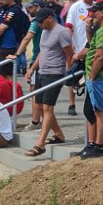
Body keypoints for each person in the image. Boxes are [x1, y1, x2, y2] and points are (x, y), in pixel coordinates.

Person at [22, 8, 71, 156]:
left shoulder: (61, 32)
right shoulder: (44, 31)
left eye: (41, 21)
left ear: (50, 18)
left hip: (55, 73)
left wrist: (70, 75)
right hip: (42, 72)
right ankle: (59, 134)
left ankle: (40, 143)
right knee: (39, 105)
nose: (39, 24)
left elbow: (70, 55)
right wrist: (32, 68)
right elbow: (42, 51)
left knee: (48, 107)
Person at [77, 0, 103, 158]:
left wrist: (92, 76)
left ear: (102, 13)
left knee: (101, 111)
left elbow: (100, 56)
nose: (92, 14)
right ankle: (101, 144)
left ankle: (99, 145)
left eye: (95, 12)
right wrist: (89, 29)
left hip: (101, 77)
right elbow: (94, 46)